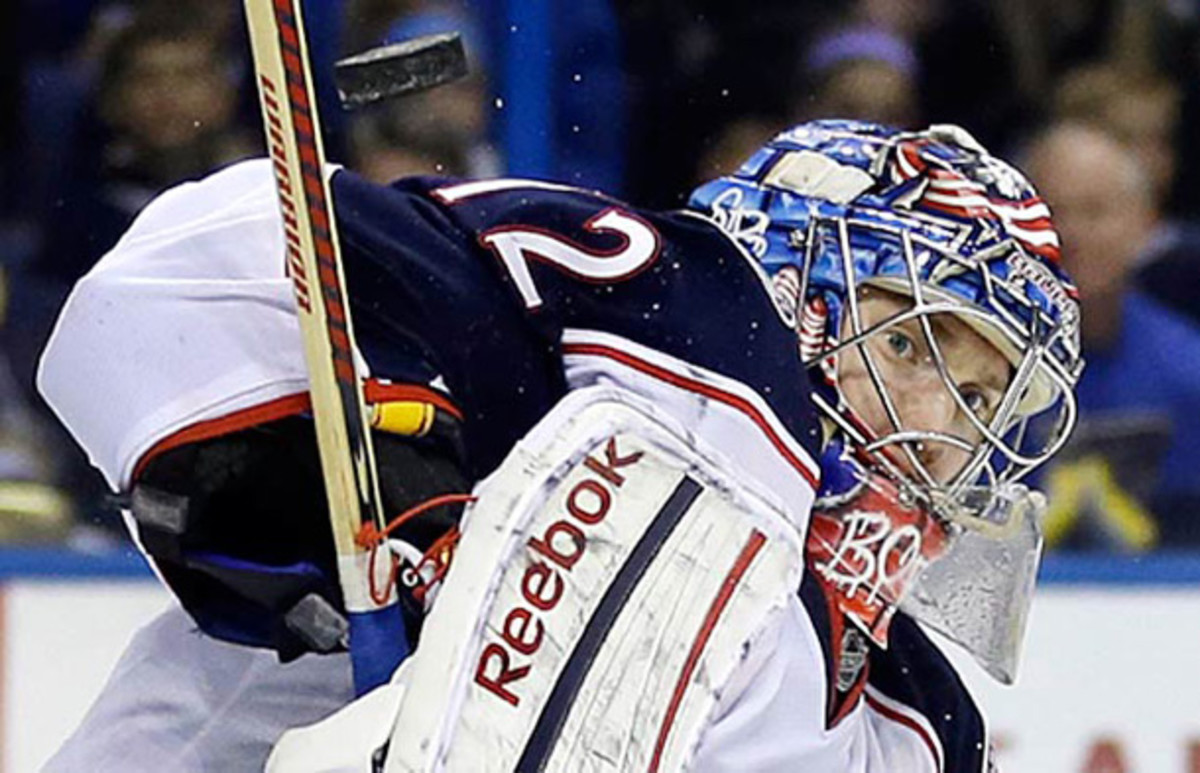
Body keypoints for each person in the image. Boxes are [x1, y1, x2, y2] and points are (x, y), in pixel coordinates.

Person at [38, 120, 1081, 771]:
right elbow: (167, 287)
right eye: (907, 342)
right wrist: (385, 468)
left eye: (984, 394)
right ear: (789, 278)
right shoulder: (702, 320)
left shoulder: (920, 723)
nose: (941, 428)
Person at [1022, 121, 1200, 549]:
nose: (1073, 233)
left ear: (1145, 224)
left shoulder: (1190, 373)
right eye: (1053, 212)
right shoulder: (959, 367)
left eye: (1095, 211)